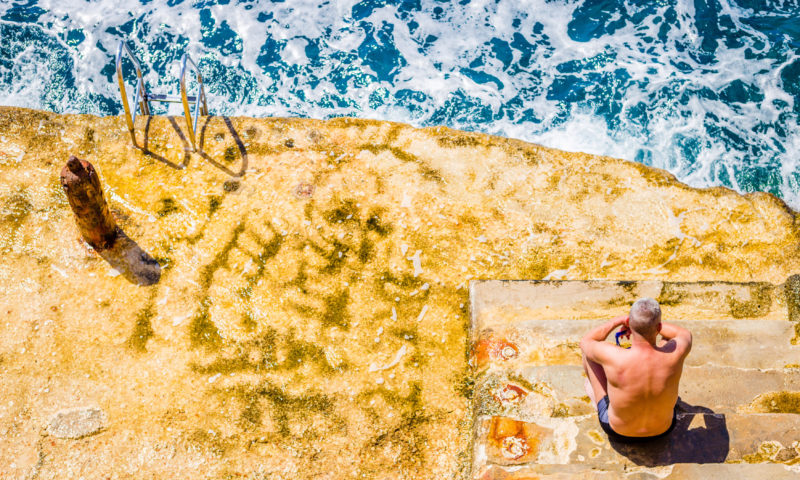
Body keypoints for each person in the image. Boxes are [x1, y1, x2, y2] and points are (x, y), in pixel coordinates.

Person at [579, 297, 692, 442]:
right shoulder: (676, 352)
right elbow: (682, 333)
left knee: (590, 355)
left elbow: (586, 341)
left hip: (618, 431)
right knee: (668, 339)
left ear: (630, 326)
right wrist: (650, 325)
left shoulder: (613, 355)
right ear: (658, 328)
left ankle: (598, 397)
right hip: (663, 430)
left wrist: (621, 321)